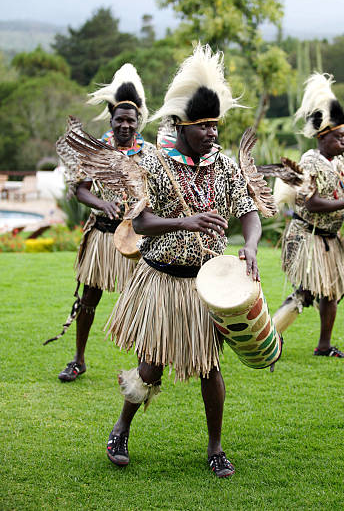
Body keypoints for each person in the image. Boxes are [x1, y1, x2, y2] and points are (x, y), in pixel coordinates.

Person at [104, 45, 262, 477]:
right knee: (150, 365)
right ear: (180, 125)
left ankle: (215, 448)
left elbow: (248, 211)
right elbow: (140, 222)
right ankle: (121, 427)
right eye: (203, 126)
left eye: (215, 125)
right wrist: (186, 221)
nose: (212, 132)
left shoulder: (224, 167)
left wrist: (248, 245)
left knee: (210, 367)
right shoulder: (153, 163)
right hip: (162, 282)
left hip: (206, 284)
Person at [55, 64, 152, 382]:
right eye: (119, 119)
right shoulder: (97, 150)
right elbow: (80, 191)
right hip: (102, 237)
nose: (125, 125)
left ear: (138, 121)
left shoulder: (148, 154)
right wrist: (102, 203)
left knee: (142, 300)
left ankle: (145, 365)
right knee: (89, 299)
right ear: (111, 119)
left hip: (136, 241)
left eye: (130, 120)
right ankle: (79, 359)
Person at [280, 73, 344, 358]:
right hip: (307, 235)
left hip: (329, 238)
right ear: (323, 136)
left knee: (331, 292)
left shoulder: (341, 164)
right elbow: (310, 203)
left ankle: (324, 346)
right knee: (307, 293)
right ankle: (269, 335)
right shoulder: (309, 163)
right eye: (339, 138)